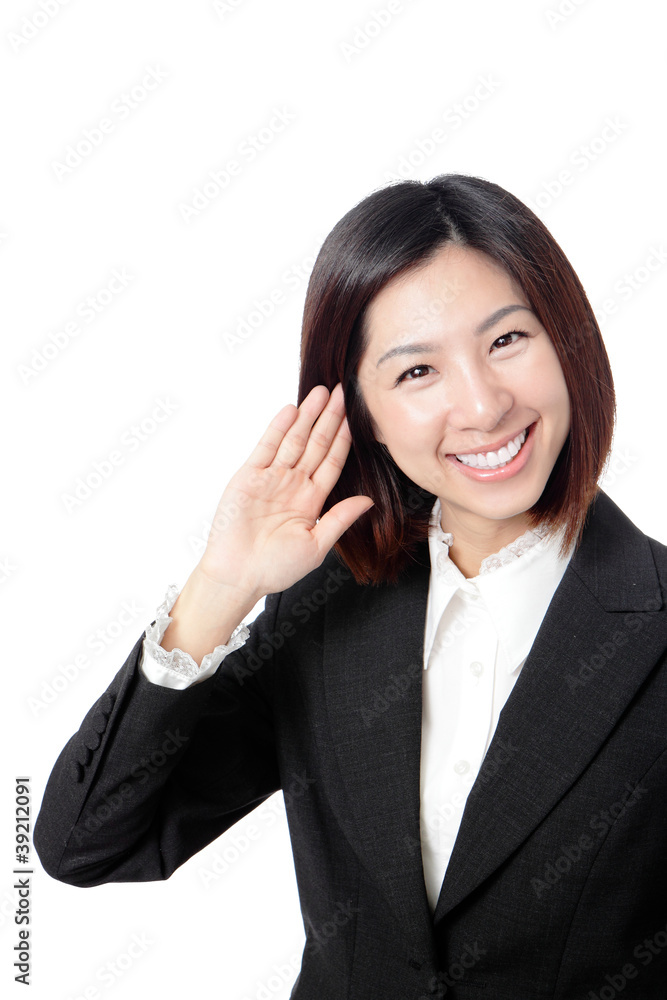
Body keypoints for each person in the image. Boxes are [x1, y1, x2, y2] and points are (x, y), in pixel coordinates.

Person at [34, 174, 667, 999]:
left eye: (507, 340)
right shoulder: (331, 608)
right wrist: (219, 588)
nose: (480, 404)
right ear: (356, 411)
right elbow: (87, 844)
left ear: (569, 340)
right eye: (416, 374)